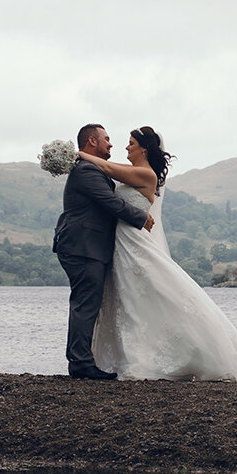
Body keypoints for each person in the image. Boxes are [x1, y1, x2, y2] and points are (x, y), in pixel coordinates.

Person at [76, 126, 237, 381]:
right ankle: (129, 354)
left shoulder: (146, 175)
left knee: (157, 294)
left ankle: (188, 352)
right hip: (121, 245)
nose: (126, 147)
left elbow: (109, 169)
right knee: (131, 300)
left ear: (144, 148)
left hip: (136, 244)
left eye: (131, 143)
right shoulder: (134, 171)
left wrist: (77, 154)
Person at [55, 123, 154, 380]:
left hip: (89, 246)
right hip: (82, 246)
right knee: (85, 303)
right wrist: (140, 216)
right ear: (91, 142)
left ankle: (82, 360)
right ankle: (80, 364)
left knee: (87, 302)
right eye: (106, 139)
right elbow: (110, 202)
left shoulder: (91, 167)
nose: (111, 144)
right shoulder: (86, 170)